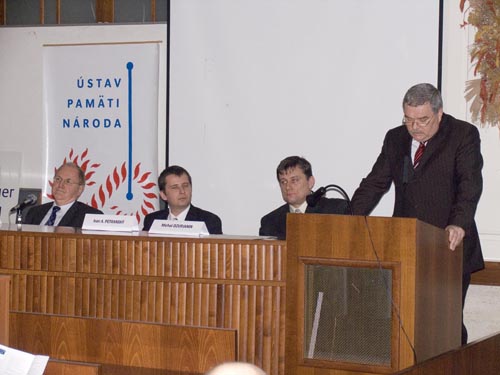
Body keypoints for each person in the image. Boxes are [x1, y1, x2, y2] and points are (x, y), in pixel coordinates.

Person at [351, 83, 484, 345]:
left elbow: (469, 185)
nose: (414, 127)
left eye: (423, 120)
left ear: (439, 113)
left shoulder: (462, 135)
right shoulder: (395, 138)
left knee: (445, 326)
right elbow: (375, 183)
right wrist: (347, 221)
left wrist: (458, 224)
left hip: (447, 247)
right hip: (404, 248)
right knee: (403, 325)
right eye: (408, 119)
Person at [259, 156, 349, 240]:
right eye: (283, 182)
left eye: (294, 180)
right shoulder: (270, 222)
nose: (287, 187)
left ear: (310, 182)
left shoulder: (336, 210)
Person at [142, 165, 223, 233]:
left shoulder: (209, 221)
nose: (182, 191)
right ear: (163, 195)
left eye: (185, 185)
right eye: (175, 187)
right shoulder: (152, 220)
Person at [24, 162, 103, 228]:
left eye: (68, 181)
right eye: (58, 179)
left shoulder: (90, 217)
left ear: (80, 189)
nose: (60, 185)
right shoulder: (34, 212)